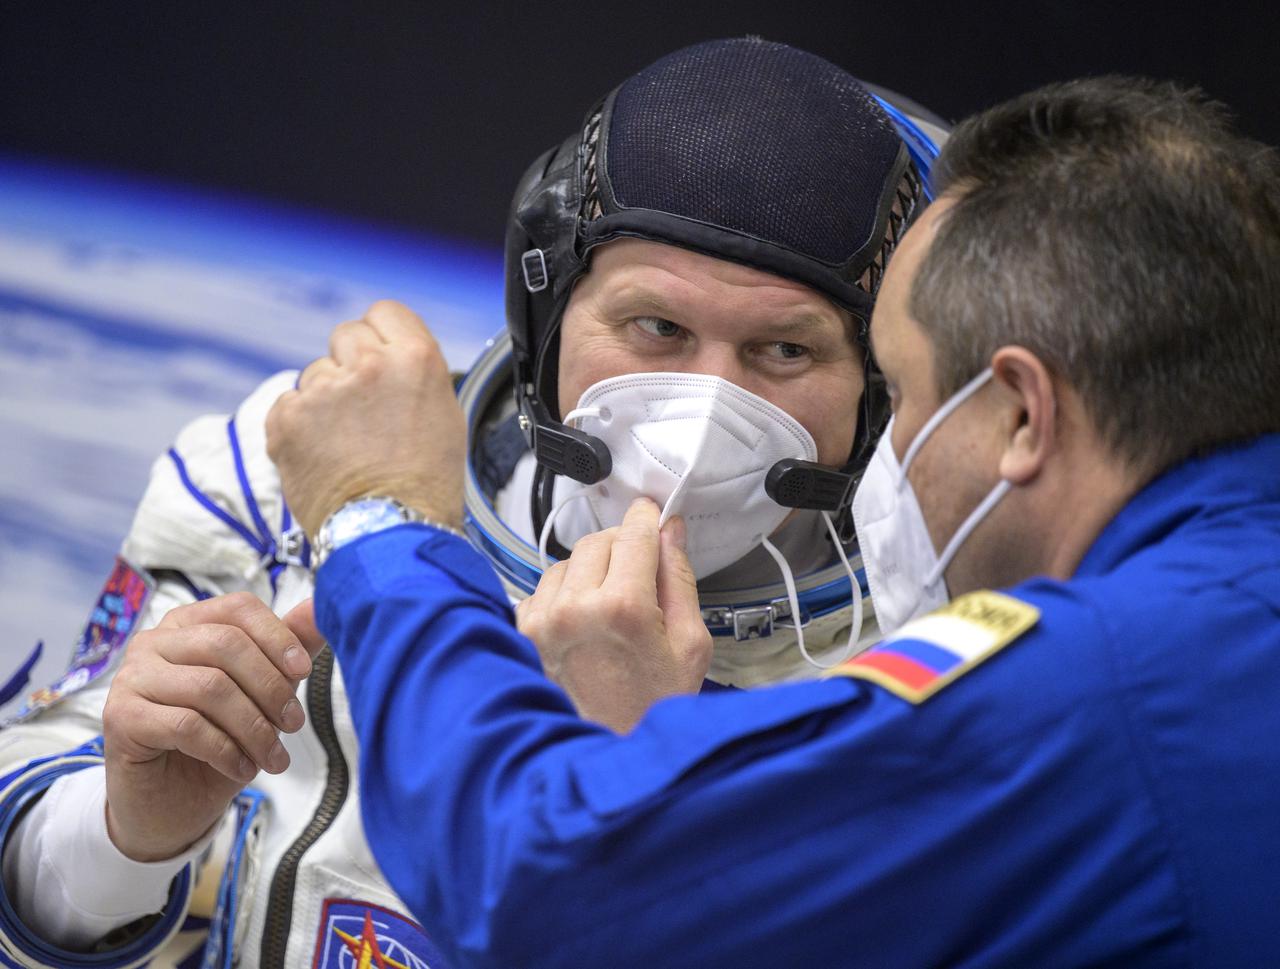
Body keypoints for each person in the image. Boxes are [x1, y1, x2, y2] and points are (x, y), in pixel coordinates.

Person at [262, 76, 1279, 967]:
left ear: (1020, 414)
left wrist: (377, 517)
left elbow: (526, 880)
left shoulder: (1089, 695)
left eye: (900, 391)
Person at [0, 39, 944, 967]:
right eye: (655, 325)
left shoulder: (923, 682)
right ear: (548, 315)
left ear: (876, 381)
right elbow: (36, 834)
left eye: (785, 350)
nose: (703, 412)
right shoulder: (297, 478)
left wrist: (635, 778)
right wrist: (120, 843)